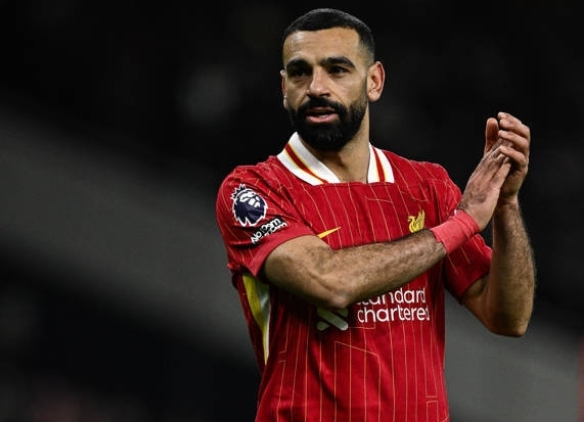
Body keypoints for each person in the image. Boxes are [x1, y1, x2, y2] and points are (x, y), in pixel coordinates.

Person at [214, 7, 536, 422]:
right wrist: (462, 223)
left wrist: (506, 205)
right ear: (283, 87)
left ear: (374, 81)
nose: (316, 87)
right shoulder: (253, 190)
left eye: (337, 70)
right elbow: (329, 282)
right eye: (299, 73)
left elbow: (508, 317)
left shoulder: (426, 186)